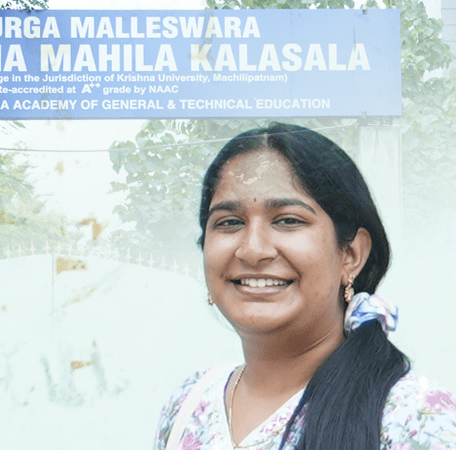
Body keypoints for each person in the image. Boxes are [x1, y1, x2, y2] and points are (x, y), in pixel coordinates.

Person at [152, 123, 456, 450]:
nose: (253, 250)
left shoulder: (411, 417)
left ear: (351, 254)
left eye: (288, 220)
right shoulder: (188, 404)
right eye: (229, 222)